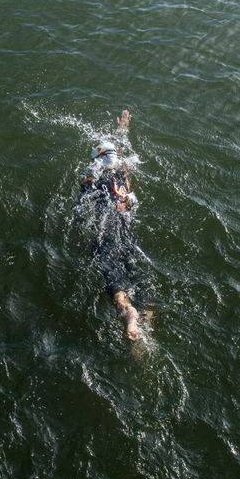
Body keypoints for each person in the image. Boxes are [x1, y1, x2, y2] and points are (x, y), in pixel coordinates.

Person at [80, 110, 147, 342]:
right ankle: (145, 318)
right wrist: (122, 130)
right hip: (126, 225)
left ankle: (126, 311)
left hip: (107, 224)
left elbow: (84, 195)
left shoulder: (93, 175)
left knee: (112, 269)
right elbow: (119, 154)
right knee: (134, 267)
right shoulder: (122, 172)